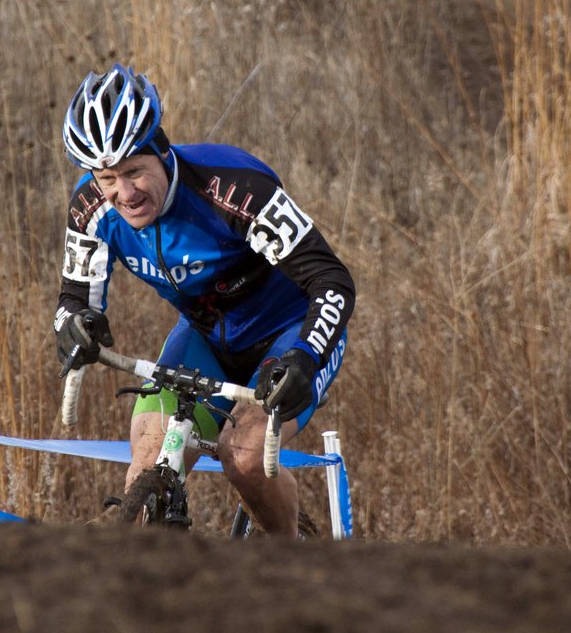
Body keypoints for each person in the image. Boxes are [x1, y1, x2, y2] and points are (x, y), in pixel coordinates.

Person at [53, 63, 354, 535]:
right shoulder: (91, 207)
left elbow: (332, 281)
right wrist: (73, 325)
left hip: (291, 330)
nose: (124, 194)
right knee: (148, 459)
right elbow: (74, 298)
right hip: (205, 339)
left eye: (134, 171)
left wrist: (306, 356)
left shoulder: (234, 190)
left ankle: (291, 567)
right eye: (107, 177)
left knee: (246, 457)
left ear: (163, 152)